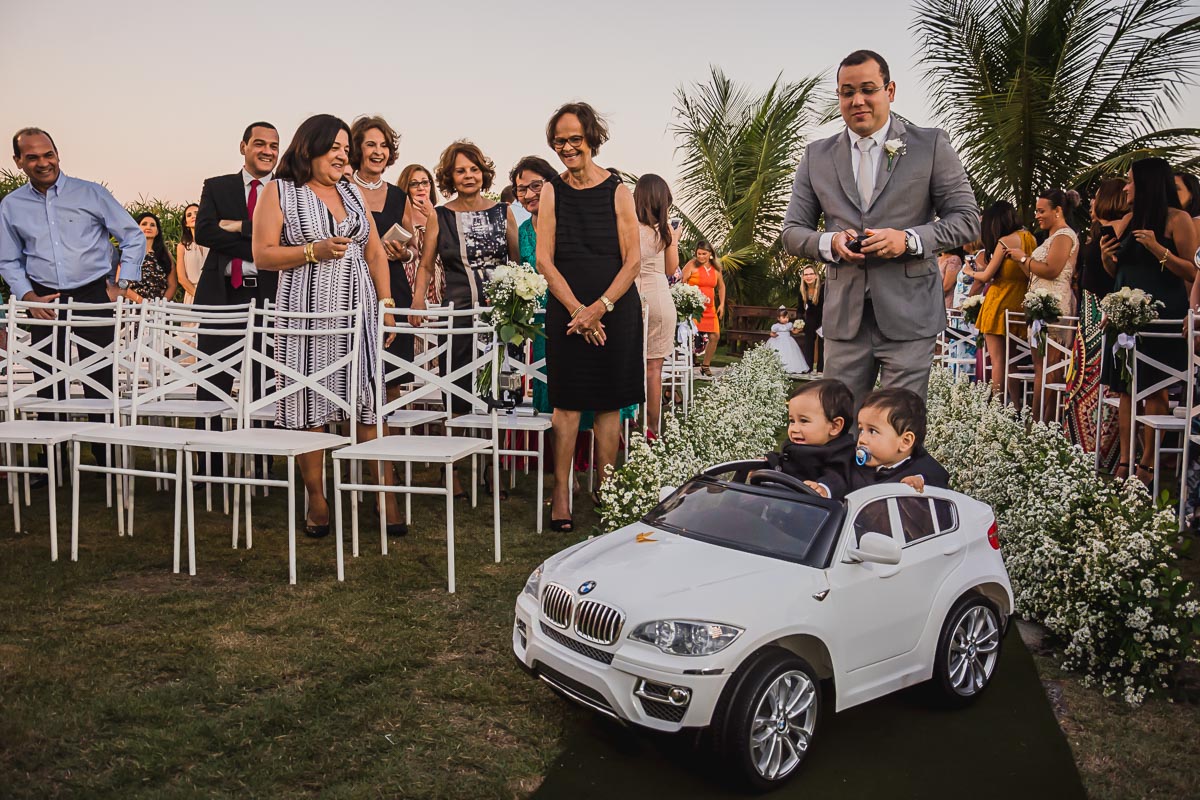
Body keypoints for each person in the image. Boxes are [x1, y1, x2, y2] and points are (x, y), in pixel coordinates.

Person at [781, 49, 980, 407]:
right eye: (847, 92)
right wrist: (829, 242)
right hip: (844, 320)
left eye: (868, 89)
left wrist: (909, 240)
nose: (857, 100)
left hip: (910, 316)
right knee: (840, 427)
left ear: (890, 91)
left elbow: (966, 219)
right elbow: (793, 231)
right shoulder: (816, 156)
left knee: (896, 429)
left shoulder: (930, 145)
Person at [251, 113, 401, 538]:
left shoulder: (351, 191)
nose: (342, 155)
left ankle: (384, 496)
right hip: (306, 312)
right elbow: (262, 254)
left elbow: (373, 251)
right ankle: (317, 499)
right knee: (308, 405)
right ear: (309, 148)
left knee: (369, 400)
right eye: (334, 147)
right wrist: (312, 251)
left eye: (344, 149)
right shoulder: (280, 191)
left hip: (358, 311)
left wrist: (385, 304)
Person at [0, 127, 144, 470]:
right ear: (18, 161)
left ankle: (104, 458)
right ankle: (53, 461)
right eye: (32, 156)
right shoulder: (11, 205)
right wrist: (28, 296)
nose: (43, 162)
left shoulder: (90, 193)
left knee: (99, 376)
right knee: (47, 378)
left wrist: (122, 284)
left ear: (58, 154)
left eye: (48, 154)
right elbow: (8, 259)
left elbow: (132, 235)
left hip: (94, 293)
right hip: (43, 299)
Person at [535, 101, 644, 532]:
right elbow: (544, 259)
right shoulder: (550, 190)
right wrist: (578, 311)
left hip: (615, 310)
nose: (566, 147)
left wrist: (600, 308)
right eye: (559, 141)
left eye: (574, 139)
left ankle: (608, 484)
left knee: (608, 402)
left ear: (591, 139)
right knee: (566, 403)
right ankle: (561, 490)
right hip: (566, 311)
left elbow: (633, 260)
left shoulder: (619, 191)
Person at [411, 140, 519, 497]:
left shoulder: (503, 212)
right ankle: (453, 469)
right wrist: (417, 303)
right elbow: (426, 266)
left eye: (473, 169)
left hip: (499, 317)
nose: (468, 175)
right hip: (457, 314)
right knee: (456, 389)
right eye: (460, 170)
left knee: (498, 390)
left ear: (483, 172)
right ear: (450, 176)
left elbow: (517, 263)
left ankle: (493, 467)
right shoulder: (439, 215)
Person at [1101, 158, 1199, 482]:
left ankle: (1148, 463)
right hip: (1127, 319)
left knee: (1154, 390)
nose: (1126, 187)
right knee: (1127, 390)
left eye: (1130, 181)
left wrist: (1160, 250)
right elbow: (1121, 272)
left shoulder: (1177, 219)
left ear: (1148, 183)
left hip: (1161, 318)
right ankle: (1125, 461)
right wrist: (1106, 258)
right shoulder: (1128, 220)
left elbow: (1194, 270)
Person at [194, 121, 280, 405]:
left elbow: (287, 238)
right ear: (243, 147)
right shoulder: (217, 186)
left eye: (274, 146)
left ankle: (263, 450)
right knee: (212, 384)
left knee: (264, 384)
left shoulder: (285, 191)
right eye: (260, 144)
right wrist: (261, 246)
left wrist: (238, 227)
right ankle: (210, 450)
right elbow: (205, 232)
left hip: (269, 295)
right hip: (221, 296)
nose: (267, 151)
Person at [348, 115, 416, 411]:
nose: (379, 151)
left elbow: (413, 246)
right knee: (352, 370)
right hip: (351, 284)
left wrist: (404, 254)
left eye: (385, 145)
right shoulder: (341, 188)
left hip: (394, 287)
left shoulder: (400, 196)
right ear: (357, 149)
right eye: (371, 144)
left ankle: (388, 444)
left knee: (392, 375)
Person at [1005, 188, 1081, 422]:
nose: (1037, 215)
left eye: (1041, 211)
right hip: (1040, 305)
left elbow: (1052, 270)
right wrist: (1019, 260)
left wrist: (1023, 258)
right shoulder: (1051, 237)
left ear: (1057, 211)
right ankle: (1039, 421)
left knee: (1050, 368)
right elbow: (1034, 273)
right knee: (1042, 367)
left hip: (1054, 306)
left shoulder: (1064, 236)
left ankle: (1045, 422)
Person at [963, 201, 1036, 396]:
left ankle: (996, 405)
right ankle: (1016, 407)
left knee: (997, 361)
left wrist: (970, 271)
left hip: (998, 302)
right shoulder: (1029, 238)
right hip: (1018, 302)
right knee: (1012, 360)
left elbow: (986, 276)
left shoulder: (1005, 241)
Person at [511, 155, 562, 416]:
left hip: (569, 315)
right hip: (539, 324)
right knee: (544, 385)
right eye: (521, 189)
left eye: (536, 186)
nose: (529, 194)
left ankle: (583, 454)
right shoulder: (522, 230)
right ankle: (546, 454)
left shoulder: (568, 223)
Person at [633, 173, 681, 435]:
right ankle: (652, 428)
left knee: (628, 365)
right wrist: (674, 239)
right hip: (658, 298)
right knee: (654, 368)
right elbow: (671, 269)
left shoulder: (625, 228)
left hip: (629, 297)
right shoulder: (664, 232)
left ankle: (624, 423)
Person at [767, 378, 854, 499]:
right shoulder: (795, 447)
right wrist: (770, 462)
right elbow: (785, 461)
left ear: (835, 426)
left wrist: (824, 488)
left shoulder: (841, 454)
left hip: (821, 513)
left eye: (804, 421)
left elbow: (838, 477)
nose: (794, 429)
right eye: (792, 421)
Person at [849, 387, 949, 492]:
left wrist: (919, 482)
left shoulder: (922, 468)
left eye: (873, 431)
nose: (862, 439)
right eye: (861, 430)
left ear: (905, 442)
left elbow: (938, 478)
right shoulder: (854, 465)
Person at [1076, 178, 1127, 306]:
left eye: (1098, 196)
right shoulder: (1098, 229)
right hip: (1089, 300)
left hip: (1102, 300)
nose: (1093, 202)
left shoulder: (1118, 227)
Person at [396, 163, 442, 305]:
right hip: (408, 281)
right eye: (414, 184)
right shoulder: (400, 214)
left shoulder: (441, 214)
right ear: (406, 188)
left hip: (438, 283)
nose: (421, 188)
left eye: (424, 182)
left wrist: (432, 216)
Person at [681, 240, 724, 376]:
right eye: (698, 253)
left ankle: (705, 365)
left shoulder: (716, 268)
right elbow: (681, 282)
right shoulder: (691, 265)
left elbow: (721, 286)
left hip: (710, 309)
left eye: (704, 254)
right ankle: (686, 363)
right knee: (689, 336)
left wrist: (722, 304)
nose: (700, 256)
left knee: (715, 335)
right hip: (694, 308)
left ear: (710, 254)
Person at [124, 212, 179, 303]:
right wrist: (141, 301)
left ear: (157, 231)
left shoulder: (165, 255)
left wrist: (161, 304)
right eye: (144, 224)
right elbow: (121, 283)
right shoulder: (129, 253)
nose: (148, 227)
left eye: (152, 225)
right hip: (133, 307)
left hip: (159, 308)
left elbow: (172, 285)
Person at [175, 203, 207, 303]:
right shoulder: (182, 246)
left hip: (213, 293)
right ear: (186, 223)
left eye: (196, 213)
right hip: (192, 294)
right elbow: (181, 278)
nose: (193, 216)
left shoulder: (213, 243)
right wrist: (197, 296)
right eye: (189, 215)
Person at [766, 306, 809, 374]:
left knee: (790, 354)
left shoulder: (789, 325)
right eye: (784, 317)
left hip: (788, 341)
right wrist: (774, 335)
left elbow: (794, 331)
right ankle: (778, 367)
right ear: (778, 318)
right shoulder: (776, 326)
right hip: (778, 341)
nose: (786, 319)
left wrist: (799, 329)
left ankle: (790, 367)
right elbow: (771, 333)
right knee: (779, 353)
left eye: (787, 317)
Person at [798, 265, 824, 371]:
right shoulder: (802, 290)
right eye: (806, 274)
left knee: (822, 343)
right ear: (803, 277)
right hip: (810, 317)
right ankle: (807, 367)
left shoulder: (823, 288)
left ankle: (821, 369)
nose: (808, 276)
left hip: (823, 317)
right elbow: (800, 309)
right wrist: (799, 321)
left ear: (816, 276)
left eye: (811, 274)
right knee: (808, 341)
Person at [1176, 171, 1200, 242]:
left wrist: (1153, 245)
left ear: (1191, 194)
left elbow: (1188, 253)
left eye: (1176, 188)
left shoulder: (1196, 223)